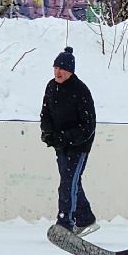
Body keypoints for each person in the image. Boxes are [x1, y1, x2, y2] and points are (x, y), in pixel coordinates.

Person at [40, 46, 97, 236]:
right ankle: (86, 218)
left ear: (71, 70)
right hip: (60, 144)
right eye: (55, 68)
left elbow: (88, 126)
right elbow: (46, 113)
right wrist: (48, 133)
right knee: (71, 182)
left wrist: (68, 137)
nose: (58, 72)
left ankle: (65, 223)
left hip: (79, 145)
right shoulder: (51, 87)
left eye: (62, 68)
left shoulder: (80, 91)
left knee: (67, 183)